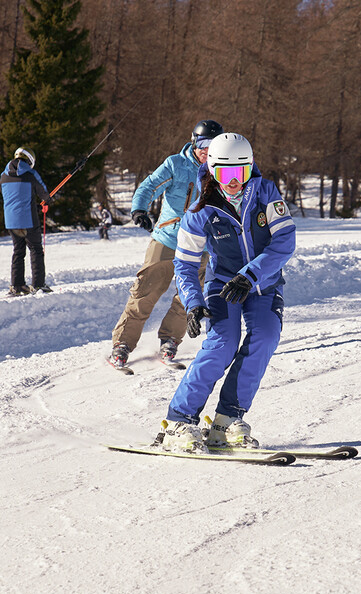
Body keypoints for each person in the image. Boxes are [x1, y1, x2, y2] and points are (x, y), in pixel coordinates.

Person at [155, 132, 296, 453]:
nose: (233, 182)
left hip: (264, 283)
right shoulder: (201, 209)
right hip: (222, 285)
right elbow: (186, 264)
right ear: (212, 171)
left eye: (240, 173)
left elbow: (285, 242)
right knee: (223, 344)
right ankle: (180, 420)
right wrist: (193, 303)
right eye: (225, 174)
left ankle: (226, 420)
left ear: (250, 168)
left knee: (265, 337)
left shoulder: (266, 193)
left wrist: (251, 275)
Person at [107, 119, 223, 372]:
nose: (206, 150)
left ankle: (170, 340)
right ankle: (122, 345)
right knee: (145, 292)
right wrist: (139, 209)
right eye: (203, 144)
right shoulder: (176, 164)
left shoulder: (222, 170)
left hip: (200, 246)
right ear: (194, 142)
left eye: (212, 145)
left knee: (188, 297)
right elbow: (149, 186)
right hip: (167, 239)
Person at [1, 146, 54, 296]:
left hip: (11, 221)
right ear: (30, 159)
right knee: (36, 249)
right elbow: (44, 193)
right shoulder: (30, 173)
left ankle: (17, 286)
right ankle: (38, 285)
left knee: (18, 251)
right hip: (29, 220)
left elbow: (14, 197)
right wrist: (47, 200)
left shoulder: (3, 176)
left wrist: (32, 205)